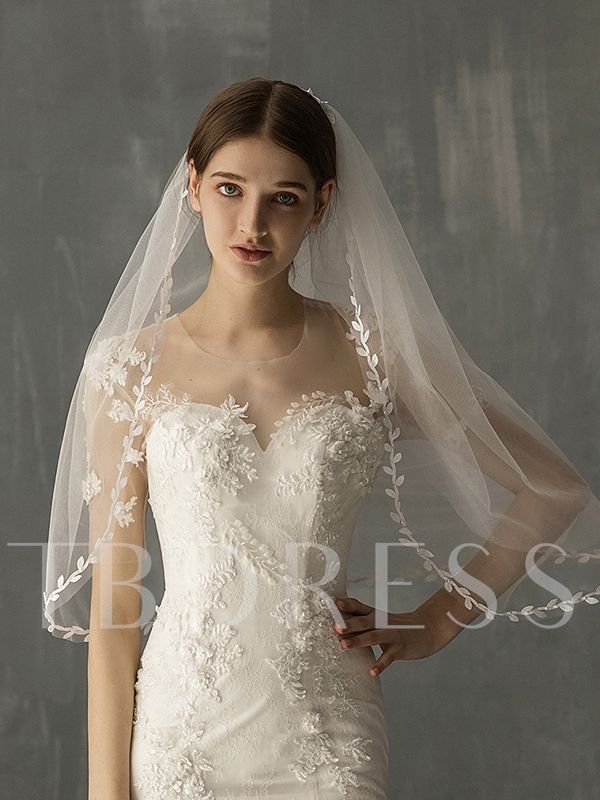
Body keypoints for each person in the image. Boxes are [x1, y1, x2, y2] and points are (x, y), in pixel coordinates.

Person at [44, 78, 599, 799]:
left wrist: (436, 621)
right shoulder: (128, 368)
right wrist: (105, 793)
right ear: (192, 185)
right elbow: (116, 610)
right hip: (183, 737)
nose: (252, 223)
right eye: (229, 188)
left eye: (284, 198)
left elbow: (553, 489)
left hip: (327, 737)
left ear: (324, 203)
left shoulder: (376, 352)